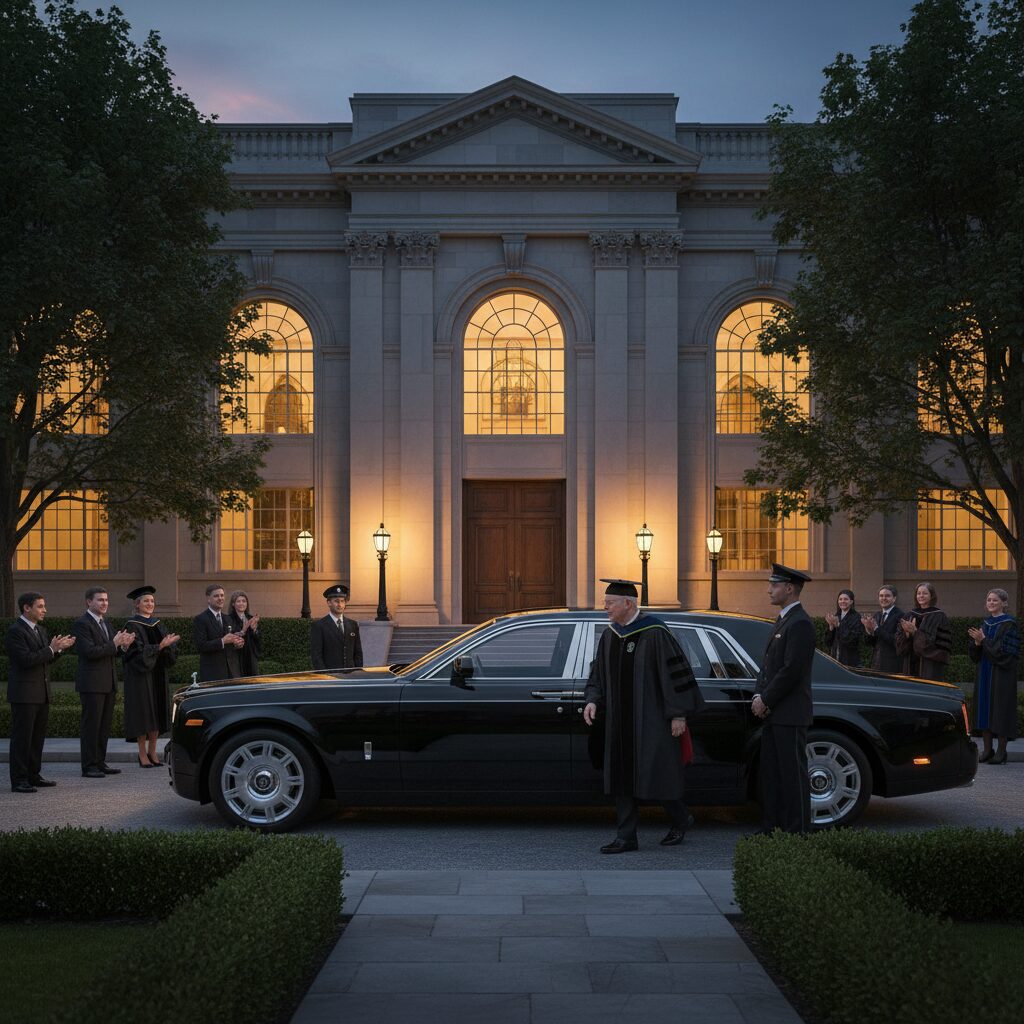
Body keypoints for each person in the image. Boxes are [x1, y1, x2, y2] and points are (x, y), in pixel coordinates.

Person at [582, 579, 706, 854]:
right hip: (618, 721)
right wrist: (592, 699)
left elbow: (674, 676)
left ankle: (680, 818)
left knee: (658, 773)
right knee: (621, 775)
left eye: (610, 603)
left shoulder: (655, 632)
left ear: (628, 603)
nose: (605, 608)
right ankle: (626, 837)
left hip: (652, 720)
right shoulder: (610, 635)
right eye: (605, 603)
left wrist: (678, 714)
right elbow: (597, 673)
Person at [751, 563, 815, 834]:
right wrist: (759, 694)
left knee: (792, 776)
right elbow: (768, 665)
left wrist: (765, 700)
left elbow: (791, 670)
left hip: (789, 713)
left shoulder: (800, 623)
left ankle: (796, 832)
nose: (769, 590)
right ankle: (773, 828)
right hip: (775, 712)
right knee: (772, 775)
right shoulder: (784, 620)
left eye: (774, 585)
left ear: (789, 588)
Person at [5, 591, 75, 792]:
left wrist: (58, 649)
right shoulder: (15, 631)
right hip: (24, 694)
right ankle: (19, 780)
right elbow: (25, 660)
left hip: (41, 692)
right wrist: (50, 649)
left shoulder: (40, 630)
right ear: (27, 608)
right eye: (40, 606)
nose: (45, 610)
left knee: (37, 739)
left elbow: (44, 659)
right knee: (22, 739)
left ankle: (33, 776)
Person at [73, 586, 134, 778]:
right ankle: (89, 766)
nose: (104, 603)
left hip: (108, 683)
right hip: (91, 684)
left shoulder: (106, 623)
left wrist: (123, 646)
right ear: (88, 602)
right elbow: (89, 652)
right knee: (91, 726)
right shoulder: (82, 624)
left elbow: (111, 651)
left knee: (104, 726)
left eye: (106, 600)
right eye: (100, 600)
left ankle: (100, 762)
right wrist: (114, 644)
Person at [122, 586, 180, 768]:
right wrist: (160, 647)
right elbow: (134, 653)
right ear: (137, 604)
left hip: (157, 674)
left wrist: (168, 646)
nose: (150, 604)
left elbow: (168, 648)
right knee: (143, 715)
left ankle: (153, 752)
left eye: (152, 601)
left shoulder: (158, 624)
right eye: (146, 601)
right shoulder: (131, 625)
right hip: (140, 677)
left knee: (157, 712)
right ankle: (142, 753)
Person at [968, 588, 1020, 765]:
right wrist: (976, 644)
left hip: (1002, 674)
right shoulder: (985, 624)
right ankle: (987, 750)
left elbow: (1004, 654)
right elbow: (975, 656)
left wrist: (983, 641)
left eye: (995, 600)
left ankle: (1001, 751)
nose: (991, 603)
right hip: (984, 672)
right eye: (989, 600)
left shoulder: (1010, 624)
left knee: (1000, 709)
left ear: (1004, 603)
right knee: (984, 708)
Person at [895, 582, 951, 680]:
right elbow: (899, 646)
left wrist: (915, 632)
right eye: (919, 593)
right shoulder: (909, 615)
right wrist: (907, 635)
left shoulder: (939, 616)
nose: (921, 596)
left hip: (930, 666)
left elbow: (942, 648)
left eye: (925, 593)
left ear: (931, 596)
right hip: (909, 665)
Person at [193, 583, 244, 682]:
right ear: (208, 599)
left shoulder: (228, 619)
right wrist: (222, 641)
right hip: (213, 673)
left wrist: (238, 643)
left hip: (232, 672)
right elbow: (201, 646)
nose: (220, 598)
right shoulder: (201, 619)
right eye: (216, 596)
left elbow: (232, 642)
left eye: (222, 595)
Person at [310, 584, 363, 669]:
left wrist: (358, 672)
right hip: (331, 675)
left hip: (351, 674)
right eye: (336, 601)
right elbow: (316, 656)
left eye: (342, 601)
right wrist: (325, 675)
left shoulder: (353, 624)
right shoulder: (319, 626)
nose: (340, 605)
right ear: (329, 603)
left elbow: (358, 653)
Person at [861, 585, 904, 674]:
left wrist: (876, 629)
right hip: (876, 664)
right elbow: (870, 643)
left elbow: (896, 641)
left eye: (887, 596)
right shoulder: (877, 615)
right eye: (881, 596)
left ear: (894, 598)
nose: (883, 598)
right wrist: (869, 630)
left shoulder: (901, 616)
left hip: (892, 665)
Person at [823, 589, 866, 667]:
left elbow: (851, 640)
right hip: (834, 659)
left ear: (851, 602)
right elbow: (828, 642)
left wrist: (839, 625)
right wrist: (831, 627)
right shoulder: (836, 616)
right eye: (840, 599)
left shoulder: (856, 617)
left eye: (845, 599)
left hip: (849, 661)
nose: (842, 601)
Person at [227, 590, 261, 677]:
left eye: (244, 601)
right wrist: (243, 630)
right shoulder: (228, 619)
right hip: (236, 657)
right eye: (238, 601)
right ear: (233, 604)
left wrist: (254, 630)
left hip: (250, 657)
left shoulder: (251, 618)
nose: (241, 603)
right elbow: (229, 636)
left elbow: (258, 639)